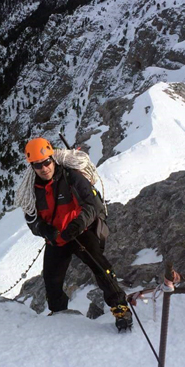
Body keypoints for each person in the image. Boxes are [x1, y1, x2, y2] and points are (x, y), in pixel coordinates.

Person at [22, 137, 133, 332]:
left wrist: (77, 225)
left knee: (100, 266)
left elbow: (93, 205)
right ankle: (59, 315)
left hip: (80, 232)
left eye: (47, 161)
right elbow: (32, 219)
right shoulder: (32, 190)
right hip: (56, 238)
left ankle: (120, 308)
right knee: (51, 279)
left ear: (53, 159)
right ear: (32, 166)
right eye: (38, 165)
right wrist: (43, 229)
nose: (44, 168)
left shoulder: (72, 177)